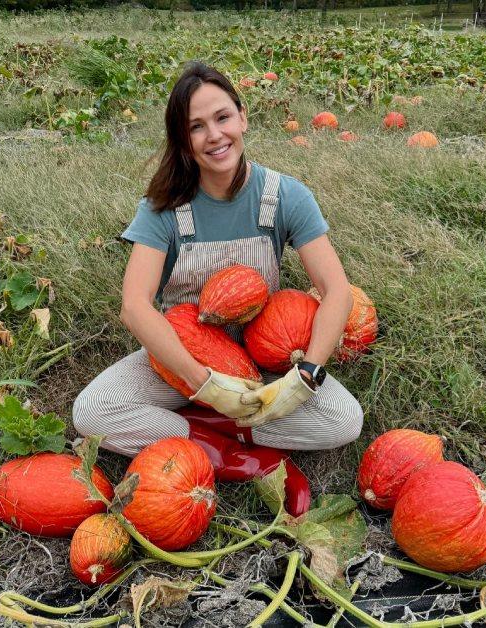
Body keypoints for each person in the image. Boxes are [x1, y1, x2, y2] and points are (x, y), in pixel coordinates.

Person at [72, 61, 364, 517]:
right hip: (178, 360)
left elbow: (337, 290)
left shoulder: (285, 196)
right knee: (91, 412)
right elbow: (135, 307)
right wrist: (201, 382)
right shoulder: (163, 208)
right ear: (183, 141)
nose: (214, 135)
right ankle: (228, 450)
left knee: (344, 420)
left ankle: (194, 426)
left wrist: (306, 376)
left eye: (222, 117)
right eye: (196, 127)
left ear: (242, 116)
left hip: (260, 360)